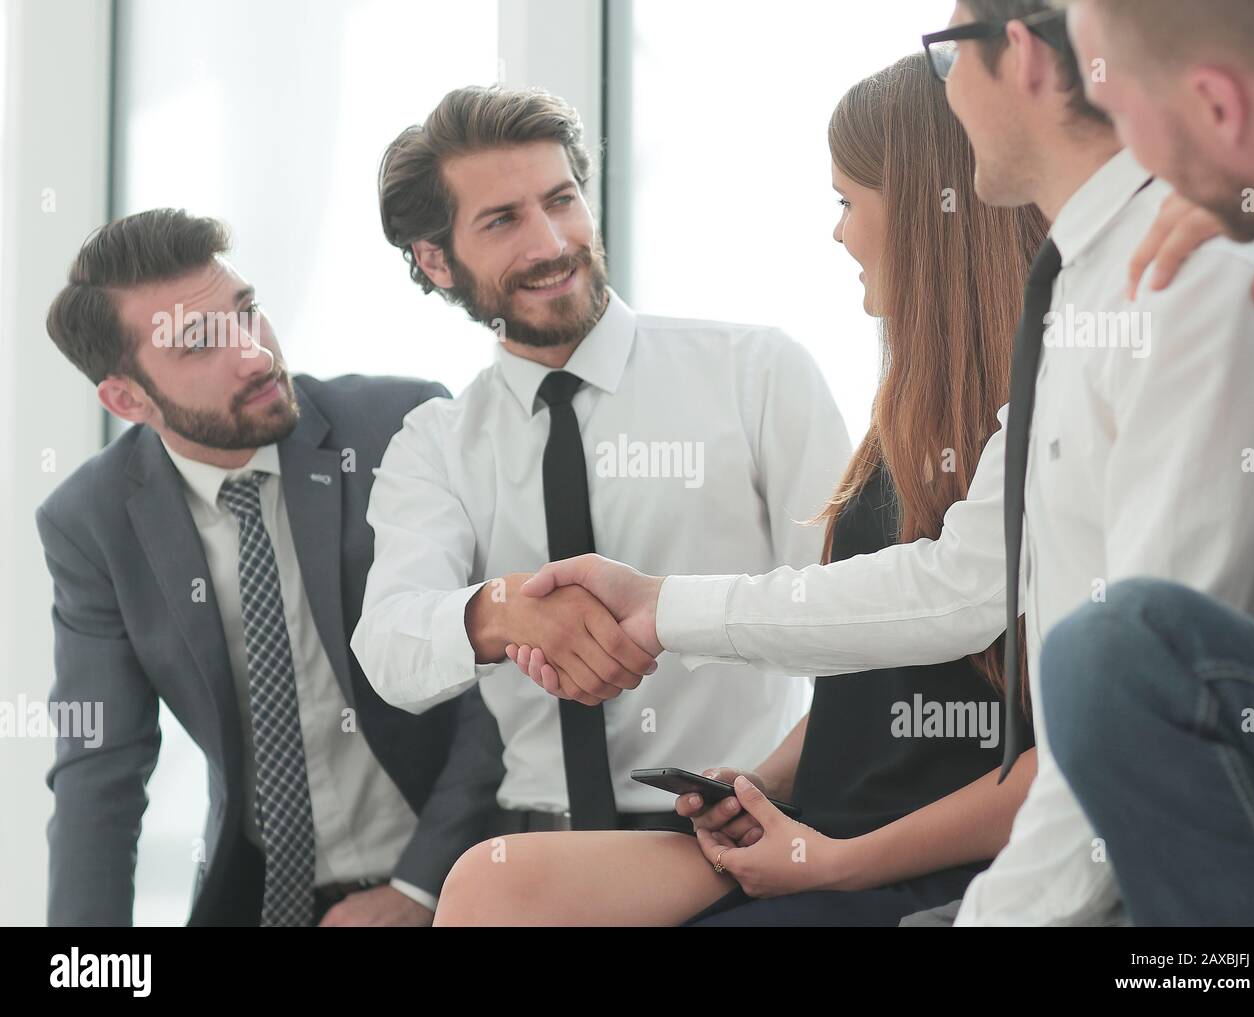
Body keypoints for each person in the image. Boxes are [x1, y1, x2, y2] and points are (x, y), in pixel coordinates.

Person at [511, 0, 1254, 925]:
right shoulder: (1080, 291)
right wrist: (665, 606)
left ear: (1022, 59)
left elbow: (1133, 695)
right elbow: (961, 582)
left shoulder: (1189, 268)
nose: (945, 93)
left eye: (945, 54)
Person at [433, 54, 1046, 926]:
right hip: (818, 826)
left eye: (846, 201)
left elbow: (1060, 762)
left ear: (917, 210)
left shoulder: (1041, 415)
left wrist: (834, 863)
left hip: (916, 855)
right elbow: (861, 690)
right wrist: (758, 782)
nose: (837, 235)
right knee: (490, 881)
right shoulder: (902, 425)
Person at [350, 87, 851, 863]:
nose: (551, 243)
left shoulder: (755, 373)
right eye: (502, 219)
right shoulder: (437, 443)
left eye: (562, 200)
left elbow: (853, 610)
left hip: (743, 835)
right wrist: (505, 610)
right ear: (435, 257)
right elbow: (387, 647)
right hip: (534, 858)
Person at [39, 209, 505, 926]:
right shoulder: (92, 522)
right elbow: (99, 772)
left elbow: (500, 681)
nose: (254, 355)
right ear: (126, 398)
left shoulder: (397, 427)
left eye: (247, 312)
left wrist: (417, 890)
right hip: (262, 903)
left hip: (465, 876)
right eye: (199, 344)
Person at [1027, 0, 1254, 925]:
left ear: (1217, 107)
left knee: (1117, 645)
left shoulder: (1213, 276)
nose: (1113, 135)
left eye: (1114, 96)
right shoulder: (1236, 249)